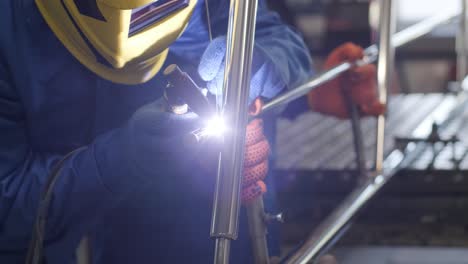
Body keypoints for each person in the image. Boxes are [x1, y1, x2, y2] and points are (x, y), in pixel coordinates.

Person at [0, 0, 383, 263]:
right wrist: (121, 160)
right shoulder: (11, 27)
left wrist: (273, 71)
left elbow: (274, 38)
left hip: (224, 246)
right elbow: (8, 213)